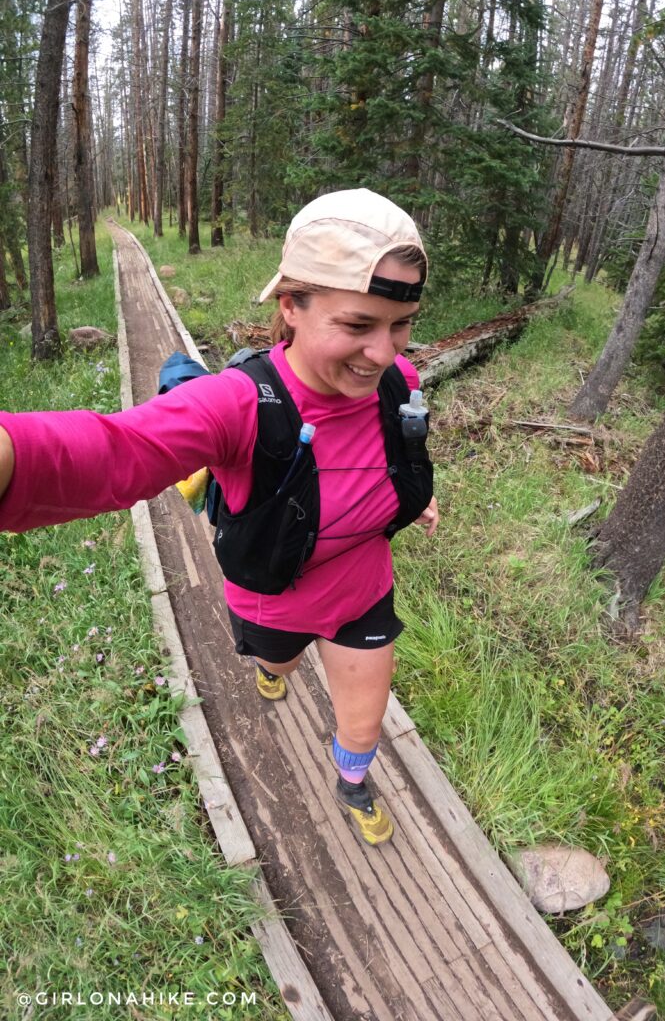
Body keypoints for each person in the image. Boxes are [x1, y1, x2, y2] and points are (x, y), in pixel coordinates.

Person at [0, 188, 439, 847]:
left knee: (365, 721)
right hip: (277, 596)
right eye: (357, 325)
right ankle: (270, 666)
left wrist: (413, 495)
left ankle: (352, 780)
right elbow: (117, 452)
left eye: (399, 324)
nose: (383, 352)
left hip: (363, 591)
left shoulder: (397, 381)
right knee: (281, 667)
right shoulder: (237, 403)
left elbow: (387, 453)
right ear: (290, 306)